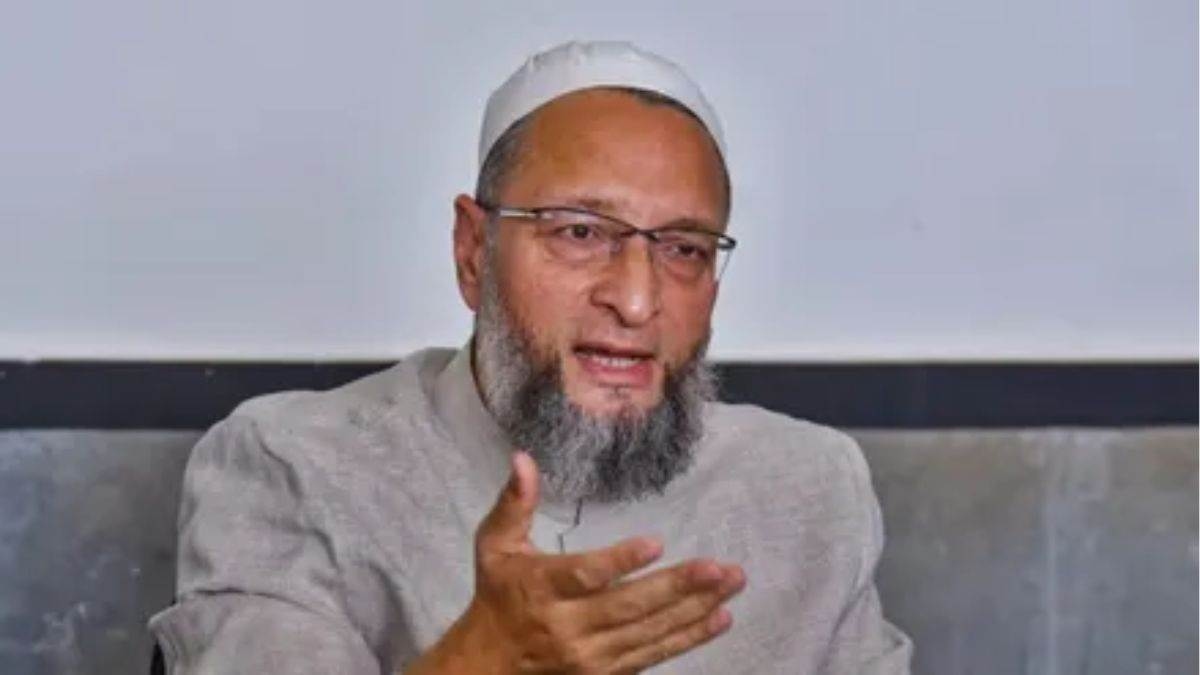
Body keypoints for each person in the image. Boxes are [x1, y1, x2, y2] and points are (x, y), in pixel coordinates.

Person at [149, 40, 911, 674]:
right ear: (473, 251)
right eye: (580, 232)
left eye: (683, 248)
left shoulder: (809, 490)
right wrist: (476, 662)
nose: (636, 300)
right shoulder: (294, 469)